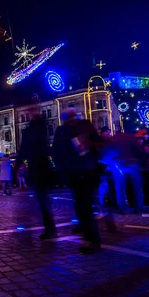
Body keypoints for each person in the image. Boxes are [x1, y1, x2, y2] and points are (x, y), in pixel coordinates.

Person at [53, 109, 105, 254]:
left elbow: (101, 142)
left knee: (84, 206)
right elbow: (56, 152)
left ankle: (93, 240)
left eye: (71, 116)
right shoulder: (62, 130)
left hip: (87, 171)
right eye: (67, 117)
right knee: (83, 204)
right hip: (76, 172)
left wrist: (89, 144)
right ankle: (88, 231)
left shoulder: (84, 125)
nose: (70, 119)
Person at [18, 112, 57, 239]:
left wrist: (16, 167)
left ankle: (49, 228)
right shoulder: (40, 130)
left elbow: (23, 149)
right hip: (43, 169)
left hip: (38, 169)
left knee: (41, 200)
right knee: (42, 199)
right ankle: (49, 227)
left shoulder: (31, 132)